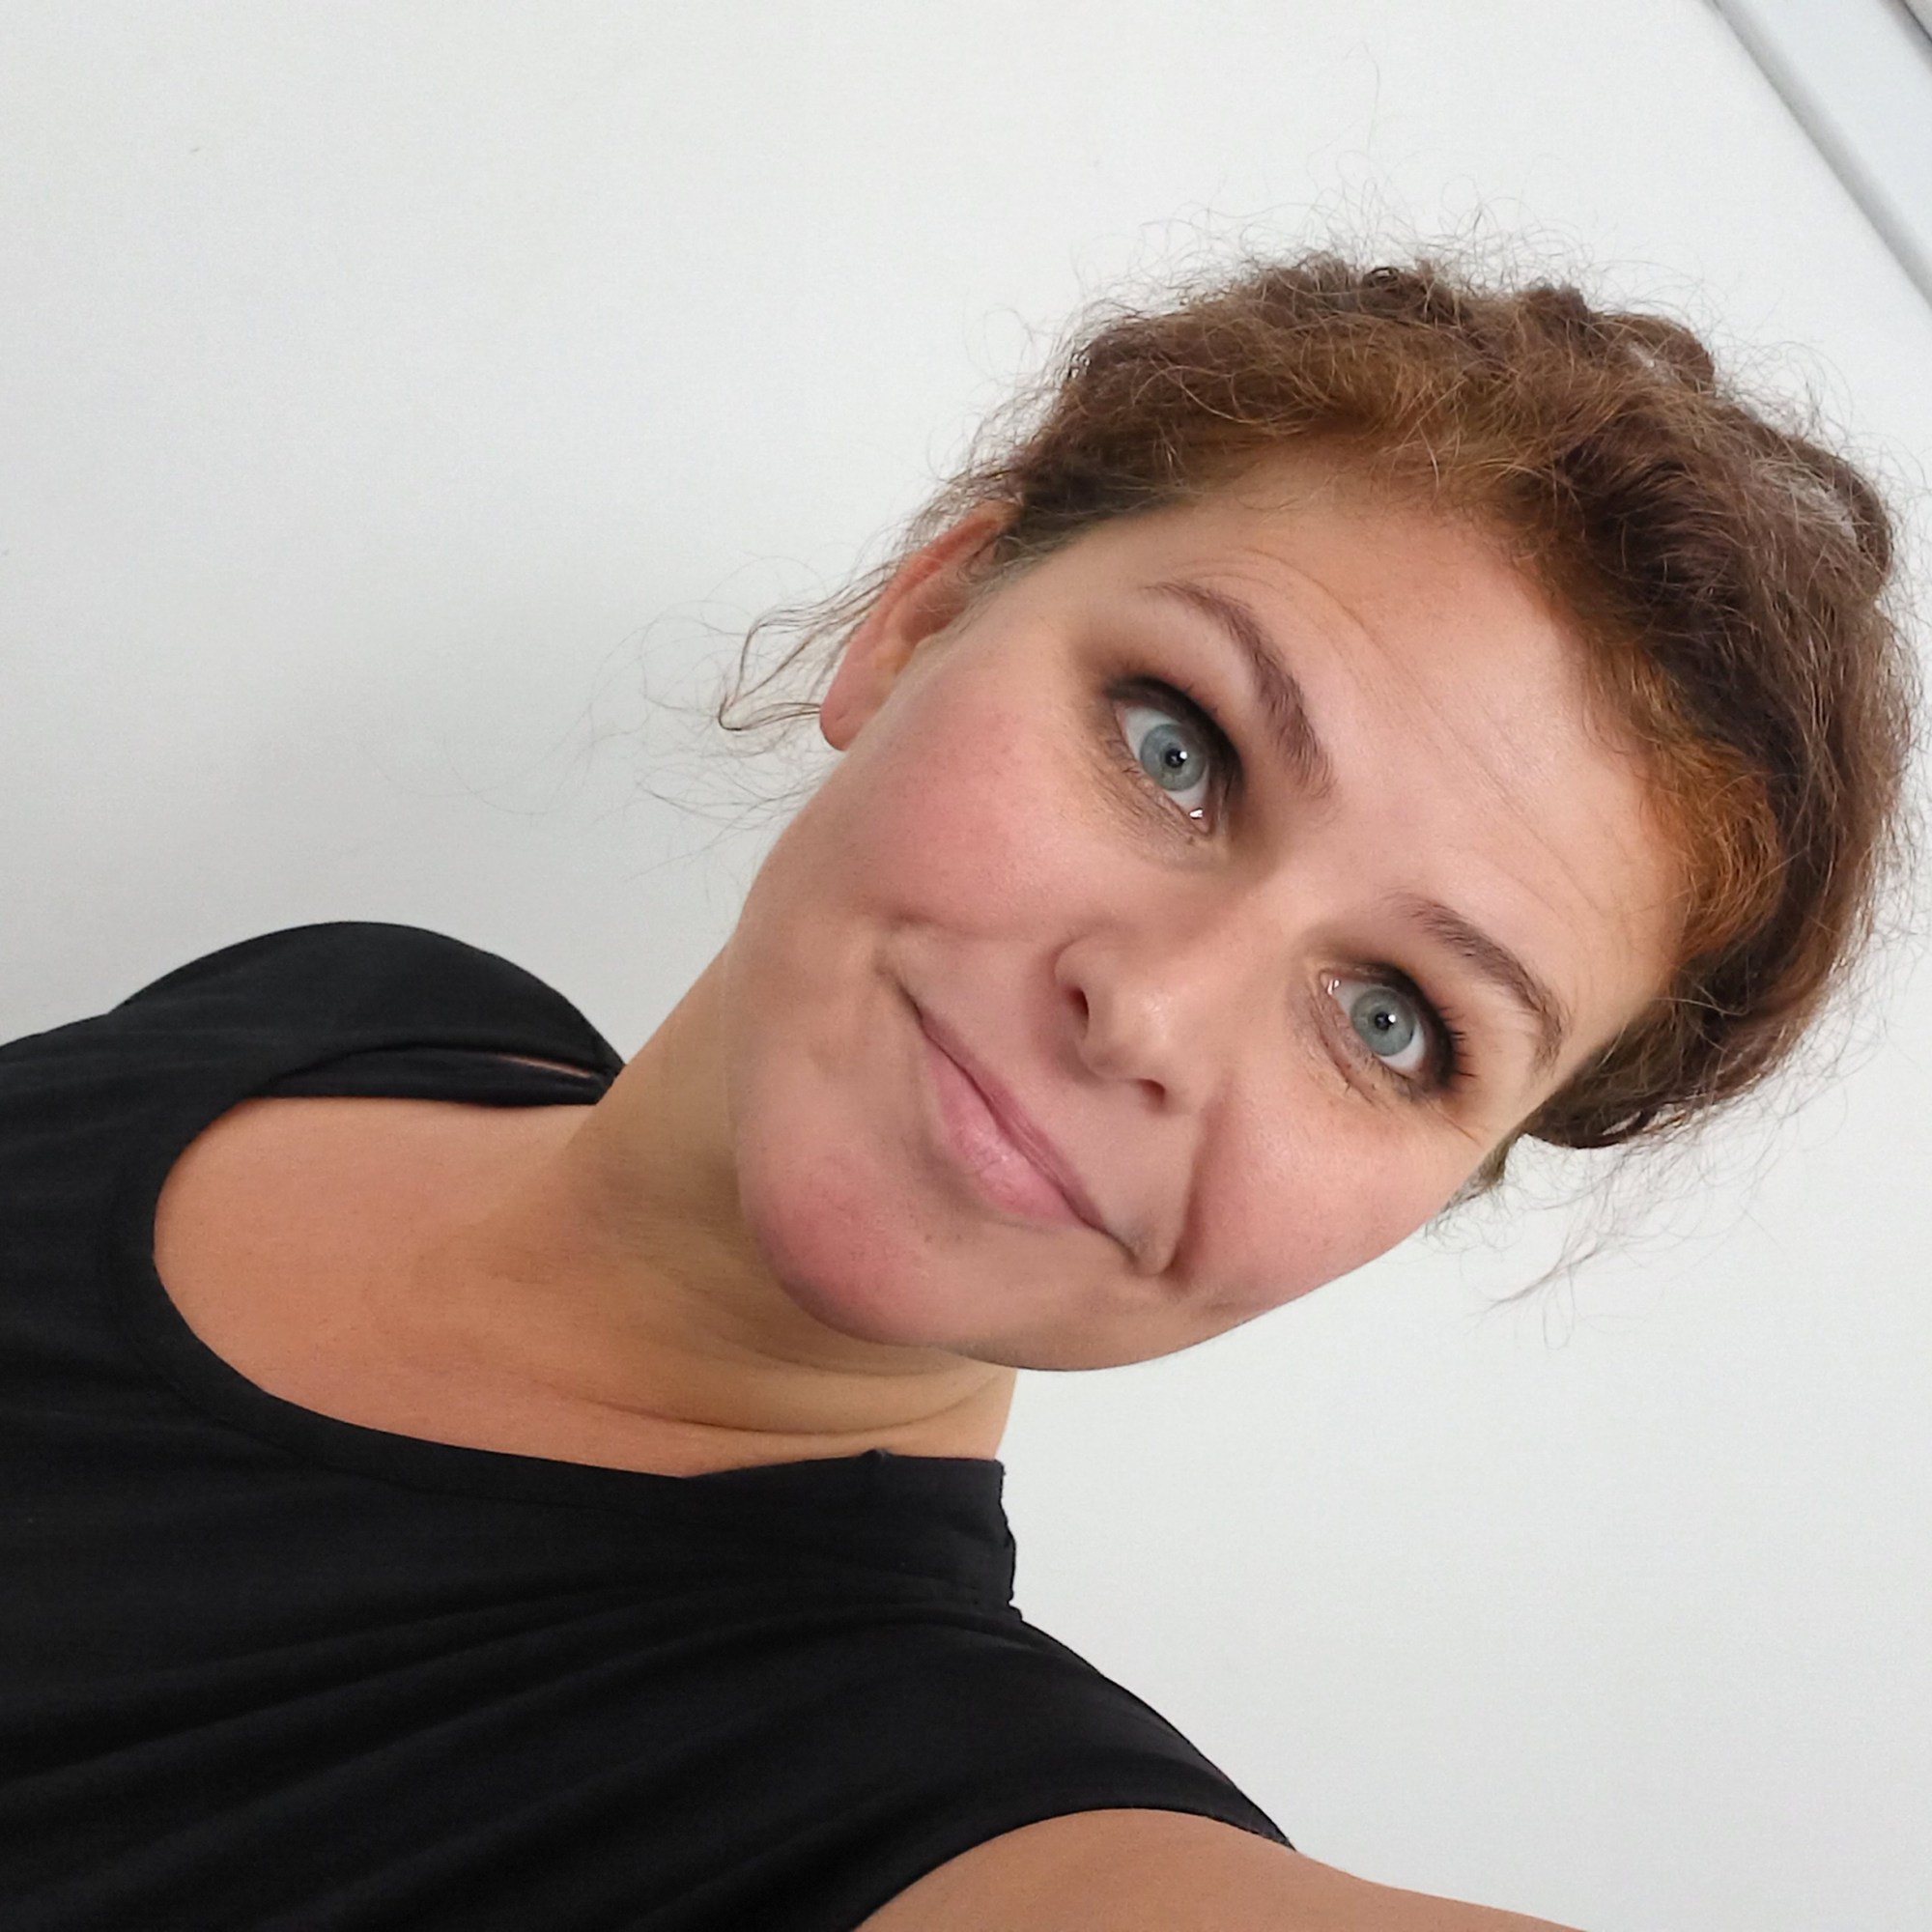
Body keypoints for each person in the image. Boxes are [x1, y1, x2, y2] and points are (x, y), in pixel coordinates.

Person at [0, 252, 1914, 1931]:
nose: (1151, 1011)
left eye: (1394, 1020)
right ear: (917, 619)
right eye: (1178, 748)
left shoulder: (931, 1810)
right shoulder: (341, 1004)